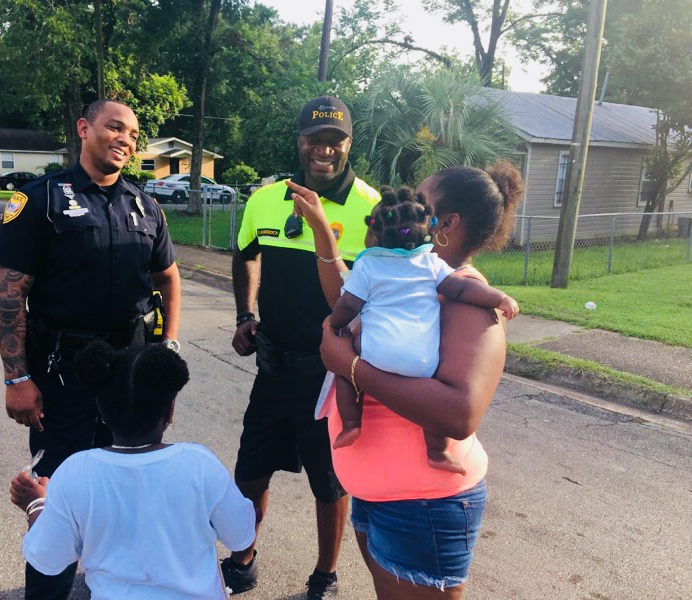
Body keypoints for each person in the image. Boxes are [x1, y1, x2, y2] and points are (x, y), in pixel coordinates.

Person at [292, 161, 524, 599]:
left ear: (445, 224)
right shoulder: (402, 276)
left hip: (424, 506)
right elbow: (344, 297)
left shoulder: (467, 297)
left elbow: (459, 412)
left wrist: (353, 368)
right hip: (381, 495)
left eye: (417, 199)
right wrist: (323, 229)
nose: (399, 204)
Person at [0, 99, 182, 599]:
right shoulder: (39, 202)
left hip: (133, 374)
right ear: (84, 129)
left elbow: (168, 277)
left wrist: (167, 356)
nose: (125, 139)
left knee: (130, 489)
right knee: (61, 493)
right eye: (114, 127)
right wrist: (16, 378)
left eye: (134, 134)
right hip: (63, 375)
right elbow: (11, 291)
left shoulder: (145, 205)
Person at [224, 96, 380, 598]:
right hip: (273, 364)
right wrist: (246, 315)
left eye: (335, 140)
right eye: (315, 139)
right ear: (299, 141)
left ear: (348, 144)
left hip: (332, 376)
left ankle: (325, 575)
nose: (324, 150)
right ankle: (243, 558)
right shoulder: (265, 200)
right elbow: (246, 255)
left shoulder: (372, 209)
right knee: (250, 471)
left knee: (329, 482)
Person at [9, 341, 257, 599]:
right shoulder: (200, 464)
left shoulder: (76, 471)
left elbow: (48, 557)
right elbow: (241, 535)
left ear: (101, 410)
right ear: (170, 411)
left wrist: (37, 505)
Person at [320, 185, 518, 465]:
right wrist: (500, 297)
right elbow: (460, 290)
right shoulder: (431, 265)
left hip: (376, 352)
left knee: (344, 372)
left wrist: (335, 327)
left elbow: (349, 305)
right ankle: (437, 451)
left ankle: (352, 422)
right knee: (428, 399)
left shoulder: (368, 267)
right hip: (423, 363)